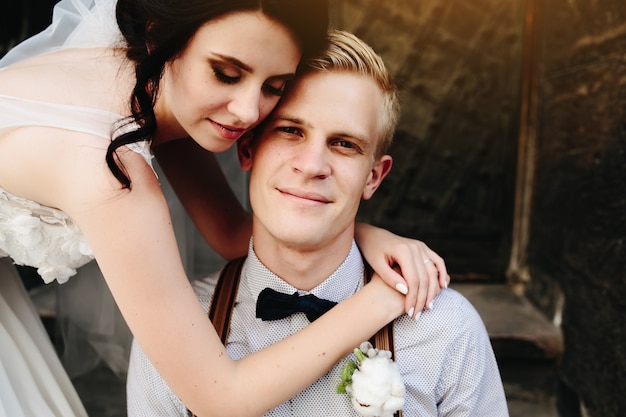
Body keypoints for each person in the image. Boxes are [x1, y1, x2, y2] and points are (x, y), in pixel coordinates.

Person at [0, 0, 449, 416]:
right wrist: (385, 297)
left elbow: (233, 234)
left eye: (275, 86)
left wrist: (368, 236)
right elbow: (220, 396)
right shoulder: (109, 169)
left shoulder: (157, 85)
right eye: (227, 73)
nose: (248, 111)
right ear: (158, 38)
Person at [127, 30, 509, 416]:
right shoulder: (175, 335)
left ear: (373, 177)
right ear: (247, 149)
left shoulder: (447, 331)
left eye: (344, 144)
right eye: (291, 130)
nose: (311, 166)